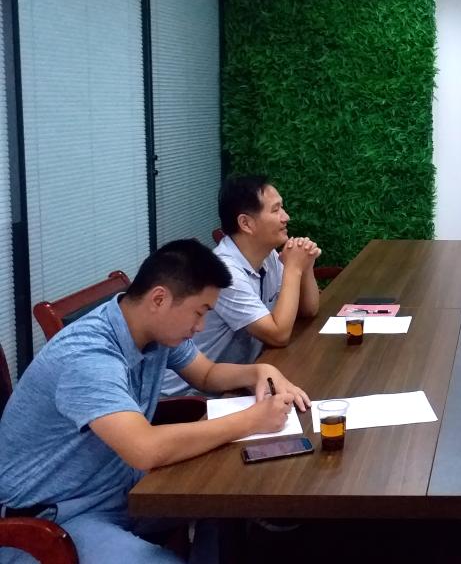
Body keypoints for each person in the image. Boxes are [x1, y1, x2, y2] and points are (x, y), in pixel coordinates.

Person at [0, 239, 310, 563]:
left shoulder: (152, 330)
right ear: (159, 299)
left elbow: (207, 374)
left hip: (119, 484)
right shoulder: (88, 357)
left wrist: (259, 371)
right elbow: (145, 448)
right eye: (199, 312)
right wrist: (251, 420)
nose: (200, 327)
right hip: (55, 518)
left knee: (228, 499)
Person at [163, 175, 321, 396]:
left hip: (238, 380)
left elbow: (308, 310)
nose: (286, 217)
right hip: (194, 397)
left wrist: (306, 266)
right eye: (276, 210)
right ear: (246, 223)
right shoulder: (226, 273)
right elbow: (278, 335)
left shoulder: (267, 256)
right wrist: (294, 269)